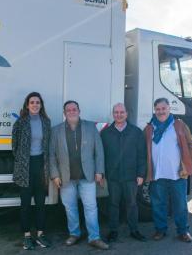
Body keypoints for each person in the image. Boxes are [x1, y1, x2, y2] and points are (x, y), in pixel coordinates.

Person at [49, 100, 109, 250]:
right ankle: (74, 234)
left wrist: (99, 171)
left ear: (79, 111)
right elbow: (51, 155)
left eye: (74, 109)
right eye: (68, 110)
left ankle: (94, 237)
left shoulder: (90, 127)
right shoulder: (56, 130)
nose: (71, 111)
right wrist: (55, 175)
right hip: (66, 177)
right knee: (70, 207)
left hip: (87, 176)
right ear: (64, 113)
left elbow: (99, 151)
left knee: (91, 207)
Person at [144, 97, 192, 242]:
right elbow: (143, 149)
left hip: (177, 174)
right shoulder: (149, 128)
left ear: (169, 109)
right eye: (158, 109)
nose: (161, 112)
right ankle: (160, 230)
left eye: (163, 108)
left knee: (180, 205)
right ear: (154, 111)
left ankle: (183, 231)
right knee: (158, 204)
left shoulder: (178, 125)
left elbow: (191, 145)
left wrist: (187, 164)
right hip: (157, 175)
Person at [101, 103, 147, 242]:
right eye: (116, 112)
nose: (119, 115)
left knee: (132, 204)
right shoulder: (106, 133)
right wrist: (102, 173)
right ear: (113, 114)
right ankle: (113, 231)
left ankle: (134, 230)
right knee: (113, 204)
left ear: (127, 114)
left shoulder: (136, 132)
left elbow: (142, 155)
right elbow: (101, 155)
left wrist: (141, 174)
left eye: (122, 112)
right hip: (113, 177)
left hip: (131, 176)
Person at [12, 92, 52, 250]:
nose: (35, 105)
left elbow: (47, 145)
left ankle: (41, 233)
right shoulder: (20, 122)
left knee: (41, 202)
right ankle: (27, 236)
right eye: (32, 102)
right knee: (26, 203)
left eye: (37, 102)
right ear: (27, 105)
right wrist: (23, 160)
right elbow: (14, 146)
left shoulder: (46, 122)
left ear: (41, 105)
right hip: (25, 166)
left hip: (41, 165)